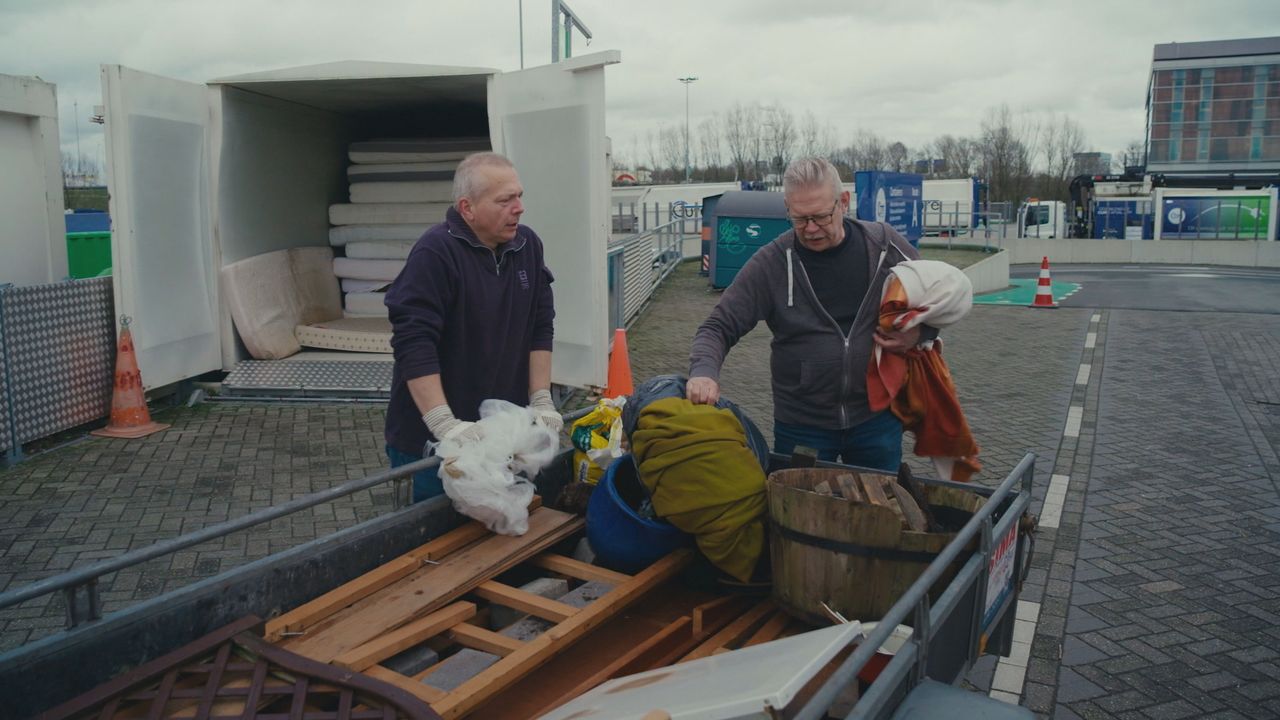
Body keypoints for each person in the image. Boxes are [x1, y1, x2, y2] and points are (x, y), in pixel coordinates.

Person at [687, 157, 934, 472]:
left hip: (877, 419)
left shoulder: (883, 246)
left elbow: (938, 296)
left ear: (843, 202)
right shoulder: (772, 263)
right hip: (803, 425)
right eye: (800, 219)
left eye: (820, 216)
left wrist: (920, 333)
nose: (811, 229)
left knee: (880, 510)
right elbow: (718, 326)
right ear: (787, 208)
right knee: (801, 514)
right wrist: (704, 371)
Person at [384, 151, 562, 502]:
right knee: (432, 544)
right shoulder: (435, 253)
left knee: (496, 539)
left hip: (499, 435)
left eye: (519, 195)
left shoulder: (527, 246)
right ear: (468, 208)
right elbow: (413, 341)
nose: (519, 207)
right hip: (433, 445)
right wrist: (444, 424)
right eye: (505, 200)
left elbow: (541, 324)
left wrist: (541, 399)